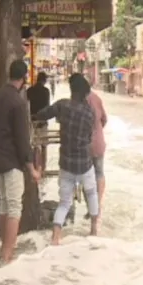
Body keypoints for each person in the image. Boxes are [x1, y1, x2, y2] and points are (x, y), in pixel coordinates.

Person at [33, 73, 99, 245]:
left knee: (64, 203)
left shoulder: (62, 105)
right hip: (84, 164)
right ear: (84, 93)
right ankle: (94, 230)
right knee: (91, 194)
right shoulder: (89, 113)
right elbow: (89, 137)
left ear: (71, 91)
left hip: (66, 164)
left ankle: (56, 237)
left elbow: (41, 114)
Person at [0, 60, 41, 263]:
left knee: (4, 206)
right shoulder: (18, 103)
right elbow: (22, 139)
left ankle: (4, 249)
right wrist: (32, 168)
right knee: (15, 207)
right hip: (11, 163)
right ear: (24, 78)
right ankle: (7, 255)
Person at [84, 84, 107, 221]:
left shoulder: (78, 100)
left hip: (85, 145)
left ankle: (91, 208)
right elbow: (104, 119)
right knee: (99, 173)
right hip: (98, 143)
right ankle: (97, 206)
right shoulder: (97, 98)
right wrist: (97, 131)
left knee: (85, 175)